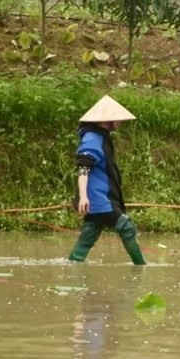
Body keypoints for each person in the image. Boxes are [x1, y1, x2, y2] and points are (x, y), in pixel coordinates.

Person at [67, 95, 146, 265]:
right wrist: (83, 196)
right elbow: (83, 168)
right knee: (127, 227)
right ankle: (141, 267)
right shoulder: (93, 139)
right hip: (98, 199)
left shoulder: (100, 137)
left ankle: (73, 266)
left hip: (100, 198)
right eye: (117, 120)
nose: (119, 123)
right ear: (106, 121)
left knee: (89, 234)